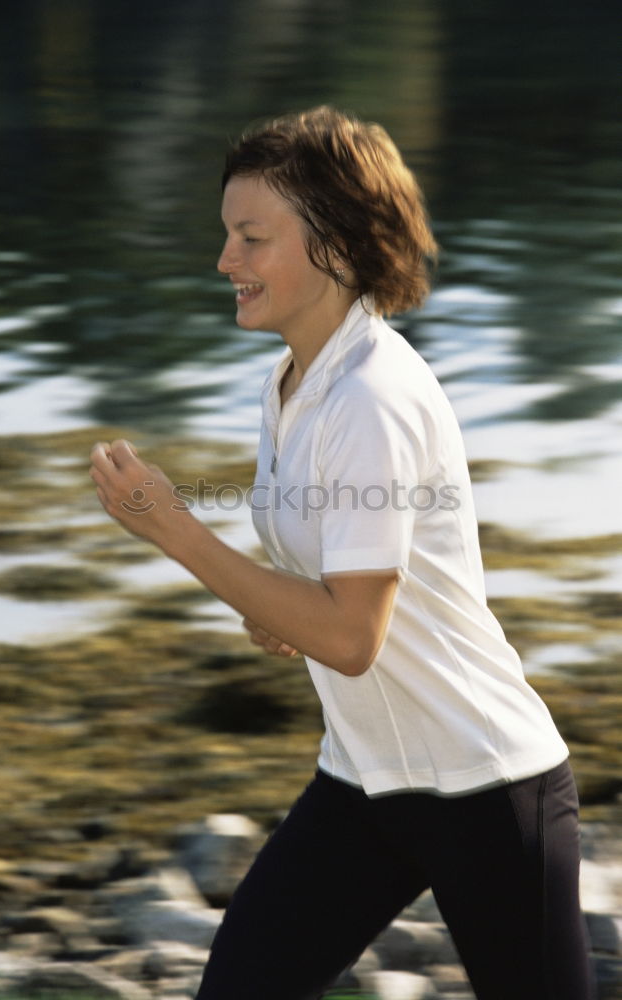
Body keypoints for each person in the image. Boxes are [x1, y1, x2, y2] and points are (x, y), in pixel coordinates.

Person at [89, 106, 594, 1000]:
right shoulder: (292, 384)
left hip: (484, 783)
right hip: (364, 780)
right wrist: (283, 617)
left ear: (334, 243)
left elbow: (353, 637)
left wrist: (174, 526)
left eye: (251, 238)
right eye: (226, 236)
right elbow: (335, 600)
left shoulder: (372, 396)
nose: (225, 262)